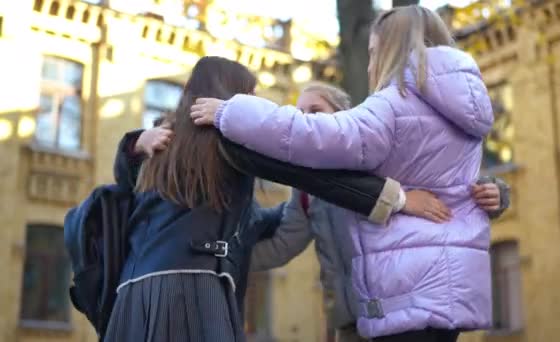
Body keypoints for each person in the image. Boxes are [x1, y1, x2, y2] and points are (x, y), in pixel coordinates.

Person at [191, 5, 496, 341]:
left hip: (407, 288)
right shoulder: (463, 113)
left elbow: (313, 136)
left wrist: (231, 112)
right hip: (450, 289)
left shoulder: (395, 104)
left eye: (373, 53)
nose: (369, 64)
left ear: (391, 50)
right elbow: (466, 190)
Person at [104, 56, 451, 342]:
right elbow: (311, 176)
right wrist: (399, 199)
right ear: (231, 95)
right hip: (194, 289)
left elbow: (124, 188)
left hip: (133, 295)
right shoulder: (229, 138)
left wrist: (132, 144)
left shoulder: (159, 141)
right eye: (249, 96)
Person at [249, 83, 510, 342]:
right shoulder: (305, 191)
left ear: (343, 116)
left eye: (315, 110)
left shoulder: (377, 160)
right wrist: (224, 261)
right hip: (348, 325)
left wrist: (495, 192)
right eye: (300, 113)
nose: (306, 119)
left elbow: (446, 187)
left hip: (395, 317)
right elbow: (284, 244)